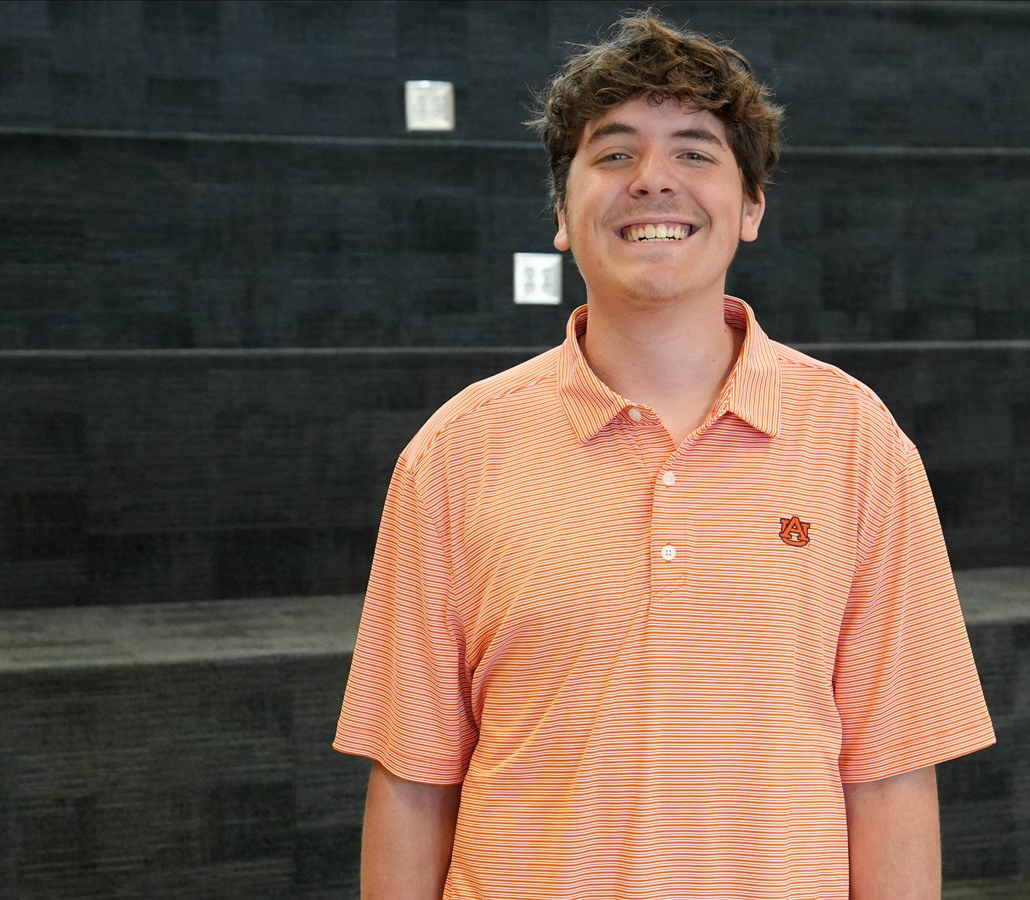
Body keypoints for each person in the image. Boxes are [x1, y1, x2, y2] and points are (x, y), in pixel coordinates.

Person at [334, 11, 995, 900]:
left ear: (751, 206)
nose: (652, 179)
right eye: (614, 153)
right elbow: (413, 780)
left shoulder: (857, 440)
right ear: (561, 213)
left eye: (694, 151)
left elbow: (892, 771)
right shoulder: (454, 455)